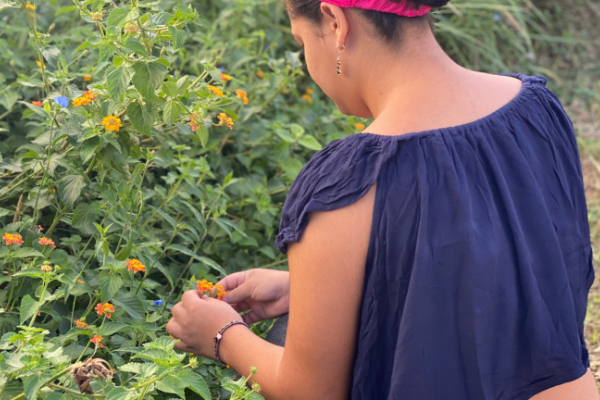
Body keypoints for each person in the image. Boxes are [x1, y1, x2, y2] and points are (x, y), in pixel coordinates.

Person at [166, 0, 600, 398]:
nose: (307, 64)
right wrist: (311, 290)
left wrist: (223, 335)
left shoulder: (350, 181)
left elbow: (309, 391)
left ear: (336, 23)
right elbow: (519, 276)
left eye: (301, 42)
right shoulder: (537, 110)